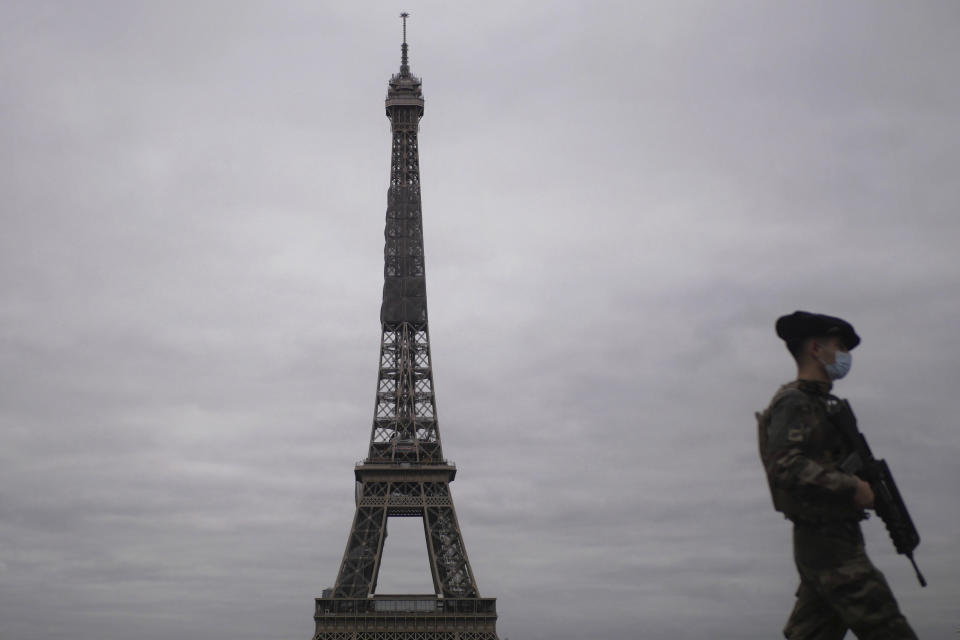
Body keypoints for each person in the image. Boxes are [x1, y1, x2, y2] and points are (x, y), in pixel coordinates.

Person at [756, 311, 917, 639]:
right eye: (840, 346)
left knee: (813, 633)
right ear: (816, 349)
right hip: (826, 538)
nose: (846, 356)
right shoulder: (794, 402)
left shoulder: (822, 403)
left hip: (831, 535)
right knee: (884, 624)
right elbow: (784, 464)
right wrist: (851, 486)